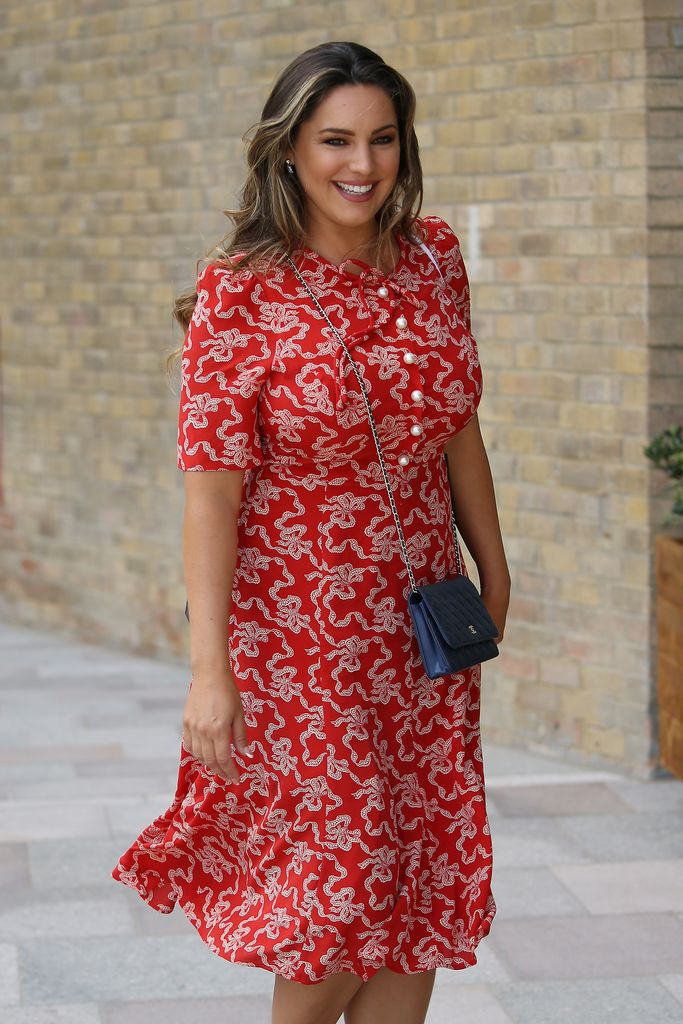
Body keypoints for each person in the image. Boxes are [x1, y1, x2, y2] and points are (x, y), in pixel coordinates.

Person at [111, 40, 511, 1024]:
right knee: (336, 890)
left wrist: (491, 569)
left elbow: (456, 424)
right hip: (300, 639)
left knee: (415, 872)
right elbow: (209, 497)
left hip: (420, 621)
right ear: (287, 150)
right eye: (334, 140)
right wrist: (210, 672)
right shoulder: (240, 292)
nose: (360, 166)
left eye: (381, 139)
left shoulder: (432, 260)